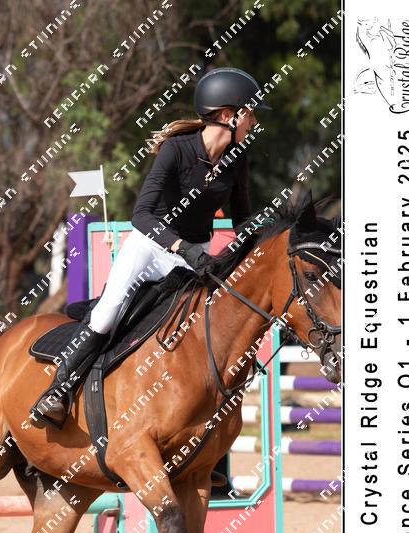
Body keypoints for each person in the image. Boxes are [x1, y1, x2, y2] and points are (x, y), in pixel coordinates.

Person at [33, 67, 271, 425]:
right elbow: (141, 215)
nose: (253, 121)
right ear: (227, 115)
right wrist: (181, 247)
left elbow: (241, 220)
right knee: (106, 315)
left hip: (195, 255)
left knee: (201, 329)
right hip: (149, 247)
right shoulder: (177, 150)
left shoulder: (237, 159)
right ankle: (57, 392)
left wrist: (268, 233)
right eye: (250, 113)